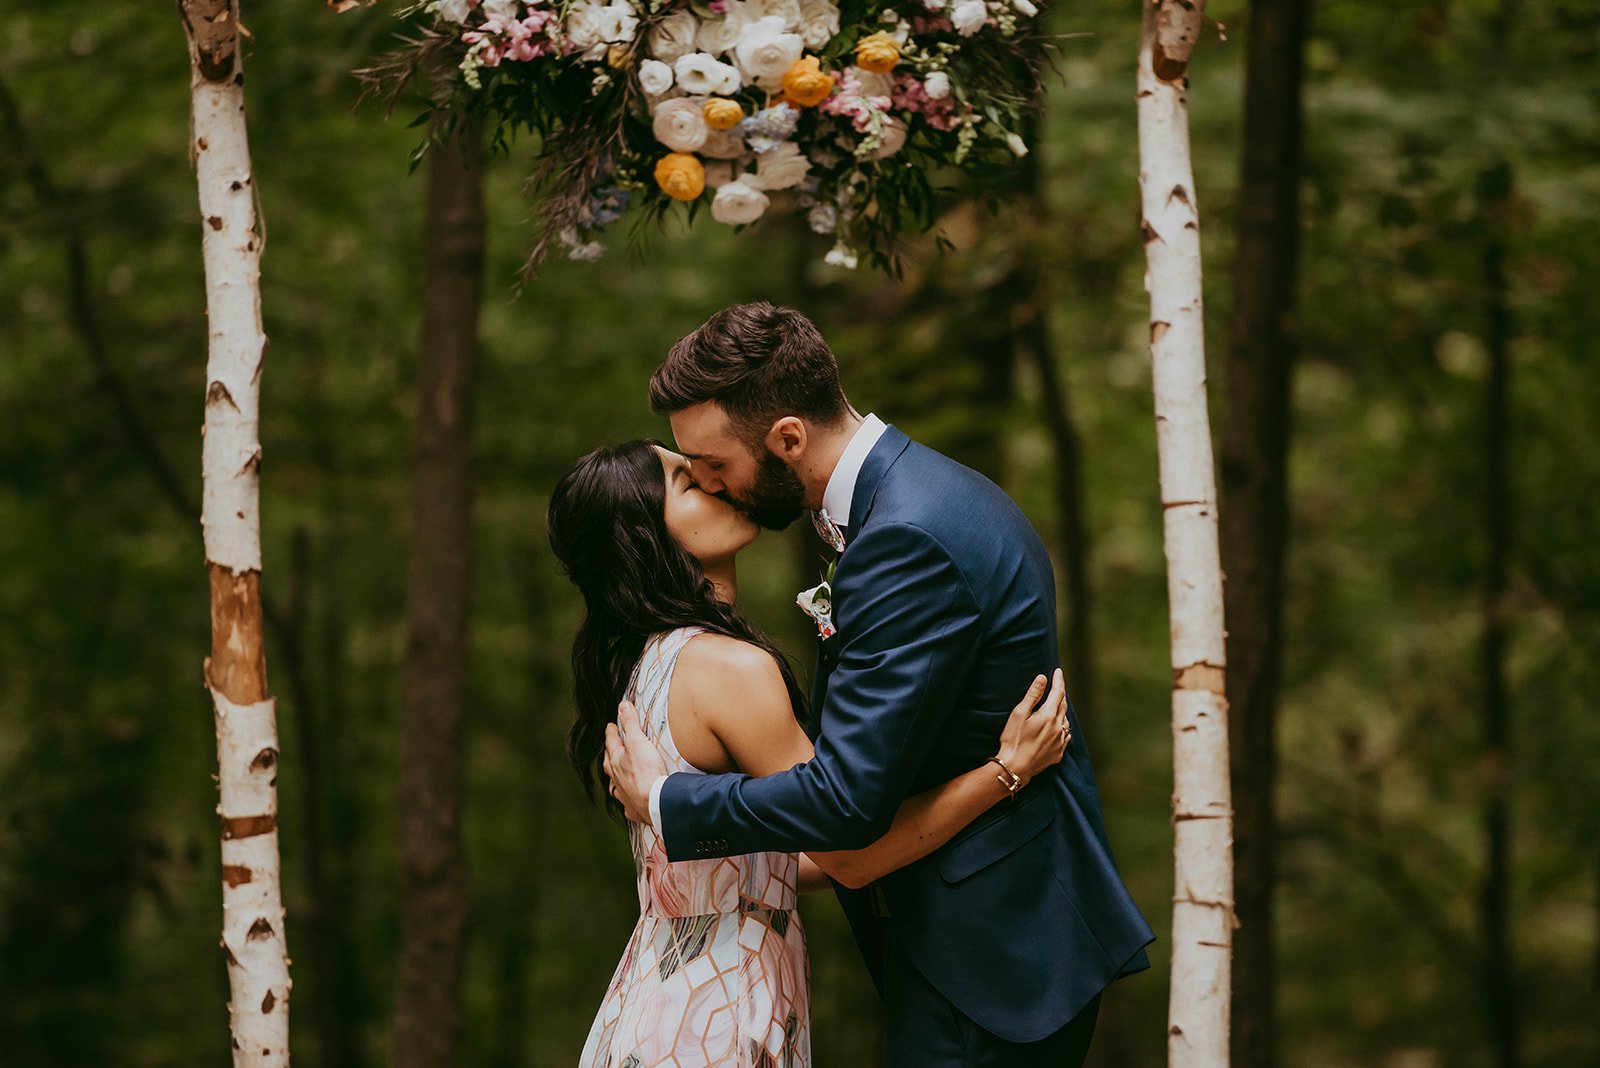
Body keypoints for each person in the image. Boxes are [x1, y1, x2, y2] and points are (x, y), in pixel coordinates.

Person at [604, 302, 1156, 1066]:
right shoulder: (922, 495)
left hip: (993, 958)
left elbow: (845, 800)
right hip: (982, 936)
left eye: (715, 464)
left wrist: (668, 801)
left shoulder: (906, 537)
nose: (711, 483)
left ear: (788, 437)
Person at [548, 438, 1076, 1068]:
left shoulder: (651, 665)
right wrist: (1005, 772)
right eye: (688, 483)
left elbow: (774, 867)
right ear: (645, 540)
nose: (715, 482)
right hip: (717, 1017)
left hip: (661, 1006)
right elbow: (848, 852)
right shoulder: (728, 670)